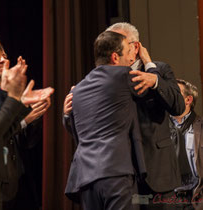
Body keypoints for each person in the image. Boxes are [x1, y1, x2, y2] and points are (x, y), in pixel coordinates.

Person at [63, 22, 185, 209]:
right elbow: (82, 130)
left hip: (153, 173)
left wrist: (155, 81)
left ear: (135, 47)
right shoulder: (103, 79)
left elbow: (178, 106)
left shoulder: (158, 70)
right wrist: (67, 115)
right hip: (119, 173)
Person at [64, 30, 152, 210]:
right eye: (129, 51)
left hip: (86, 178)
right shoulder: (124, 76)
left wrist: (66, 116)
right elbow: (150, 86)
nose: (131, 57)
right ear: (114, 57)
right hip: (116, 173)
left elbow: (74, 130)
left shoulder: (77, 90)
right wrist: (149, 63)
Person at [0, 36, 54, 210]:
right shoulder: (10, 96)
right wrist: (20, 104)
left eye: (4, 57)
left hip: (17, 180)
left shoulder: (7, 93)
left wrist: (28, 109)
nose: (3, 62)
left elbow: (27, 140)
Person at [169, 79, 203, 209]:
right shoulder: (159, 129)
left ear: (188, 100)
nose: (169, 96)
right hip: (168, 200)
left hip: (197, 199)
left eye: (174, 93)